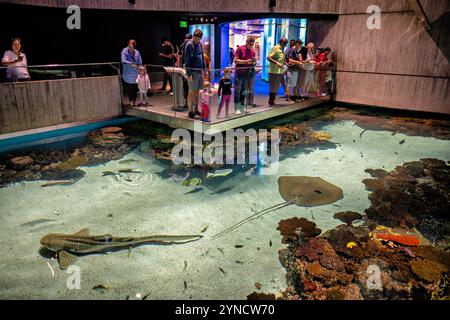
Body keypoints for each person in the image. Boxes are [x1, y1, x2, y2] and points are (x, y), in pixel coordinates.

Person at [184, 29, 207, 119]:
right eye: (196, 38)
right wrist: (189, 74)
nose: (197, 40)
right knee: (191, 91)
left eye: (199, 39)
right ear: (194, 36)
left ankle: (196, 110)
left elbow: (201, 56)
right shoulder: (189, 45)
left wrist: (204, 68)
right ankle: (190, 111)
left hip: (199, 72)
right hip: (192, 72)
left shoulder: (199, 44)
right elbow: (187, 60)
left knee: (197, 91)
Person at [234, 36, 257, 114]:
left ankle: (242, 107)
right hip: (239, 73)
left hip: (247, 74)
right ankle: (237, 108)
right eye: (250, 42)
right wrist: (246, 61)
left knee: (243, 91)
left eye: (252, 42)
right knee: (237, 91)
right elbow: (236, 60)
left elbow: (253, 63)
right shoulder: (240, 49)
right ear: (247, 41)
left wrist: (254, 62)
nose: (251, 44)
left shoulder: (253, 51)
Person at [267, 37, 288, 106]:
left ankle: (273, 101)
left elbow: (280, 59)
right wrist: (277, 63)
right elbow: (268, 57)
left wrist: (284, 63)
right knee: (273, 87)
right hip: (273, 71)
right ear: (282, 43)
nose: (285, 45)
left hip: (279, 72)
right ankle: (271, 101)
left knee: (276, 87)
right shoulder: (276, 48)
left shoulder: (282, 49)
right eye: (285, 44)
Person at [121, 39, 142, 106]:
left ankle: (134, 101)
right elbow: (123, 60)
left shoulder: (137, 52)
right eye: (129, 46)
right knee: (130, 88)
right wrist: (130, 63)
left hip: (135, 73)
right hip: (128, 74)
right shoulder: (125, 50)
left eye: (132, 47)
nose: (130, 48)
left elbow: (140, 62)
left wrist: (141, 67)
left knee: (135, 89)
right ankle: (130, 101)